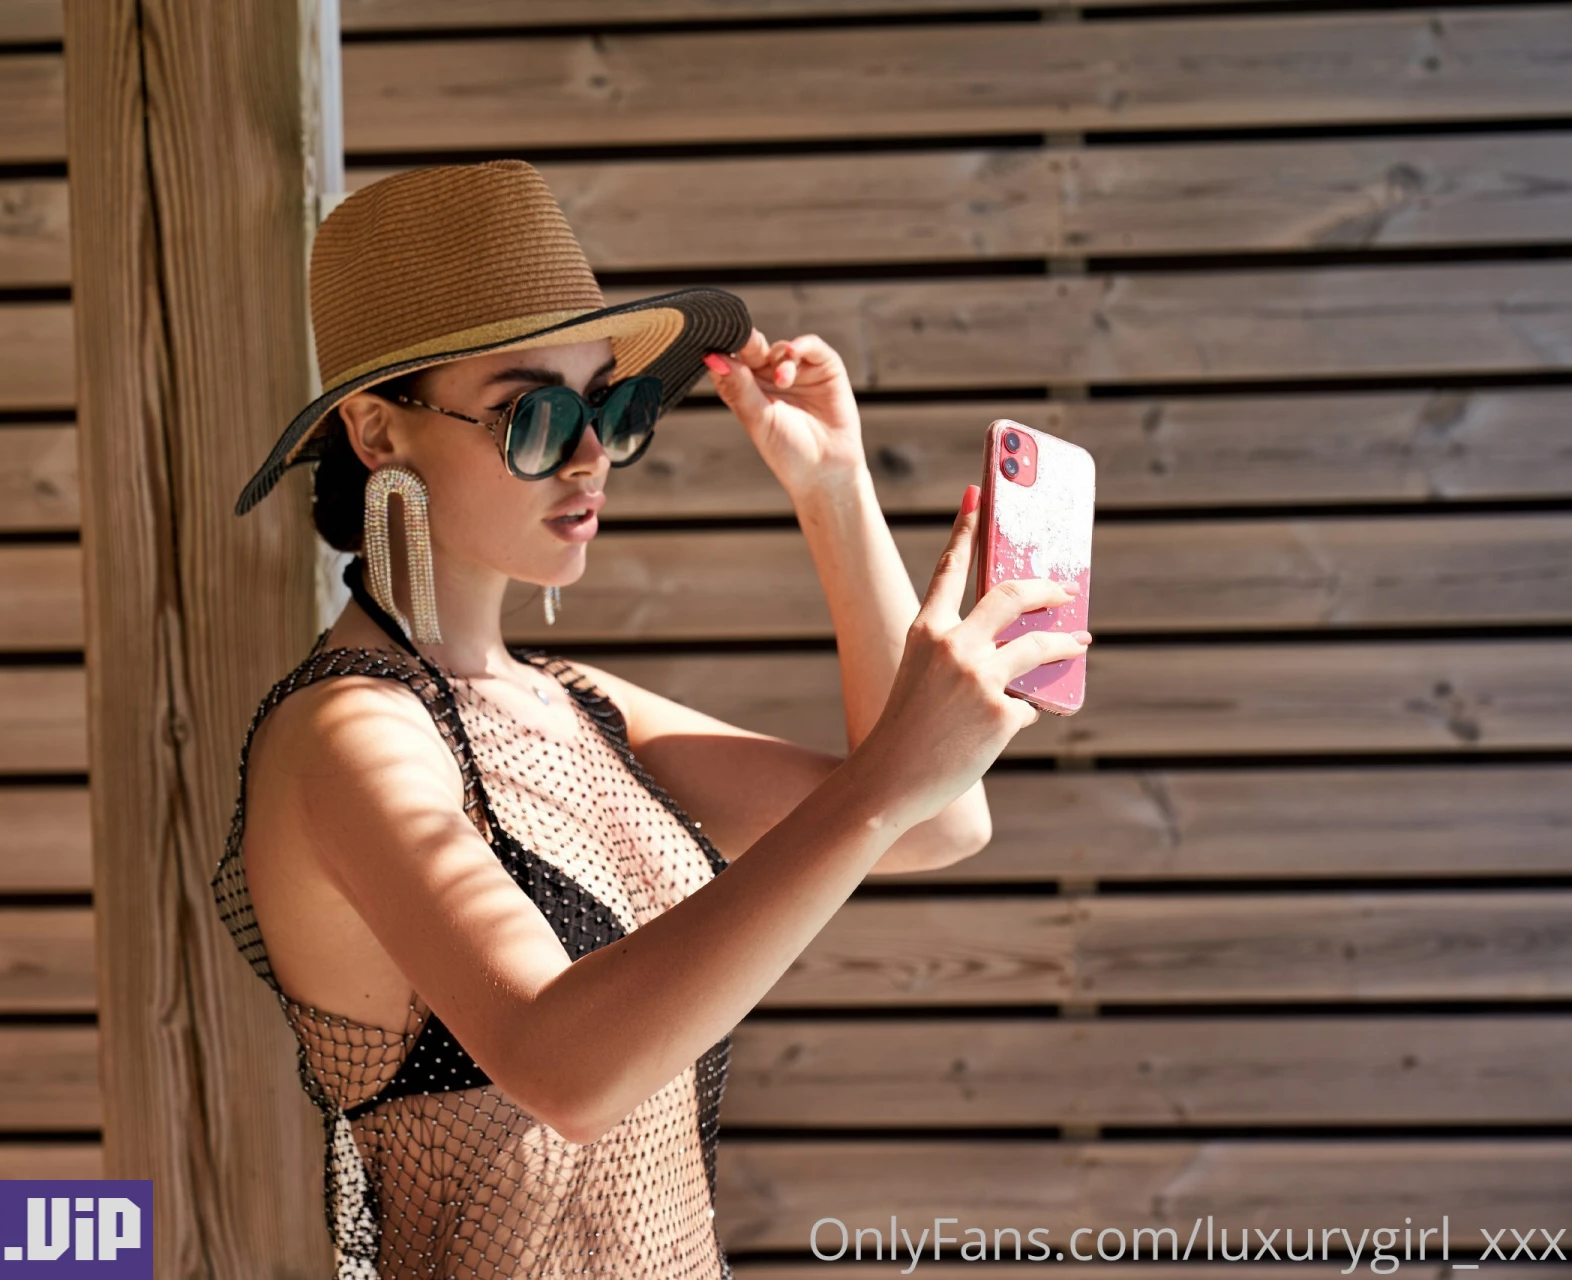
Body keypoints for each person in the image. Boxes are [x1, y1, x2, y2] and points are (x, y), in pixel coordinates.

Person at [209, 160, 1090, 1280]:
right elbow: (565, 1071)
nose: (590, 456)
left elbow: (936, 822)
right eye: (533, 415)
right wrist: (882, 785)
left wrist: (832, 489)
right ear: (377, 432)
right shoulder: (348, 734)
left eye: (609, 408)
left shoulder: (577, 702)